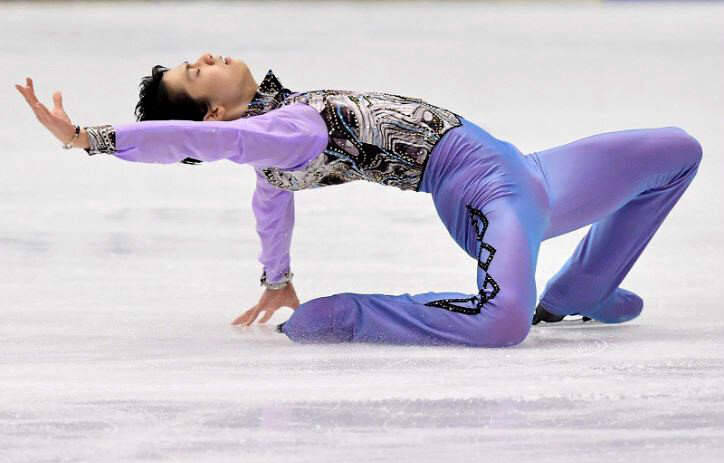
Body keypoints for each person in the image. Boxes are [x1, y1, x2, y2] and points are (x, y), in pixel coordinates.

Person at [15, 52, 703, 347]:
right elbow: (207, 143)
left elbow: (270, 210)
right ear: (215, 114)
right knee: (503, 323)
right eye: (196, 73)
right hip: (488, 197)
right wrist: (85, 138)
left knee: (677, 152)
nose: (207, 57)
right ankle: (355, 314)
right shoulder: (286, 131)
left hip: (531, 173)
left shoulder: (278, 149)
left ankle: (581, 288)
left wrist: (276, 279)